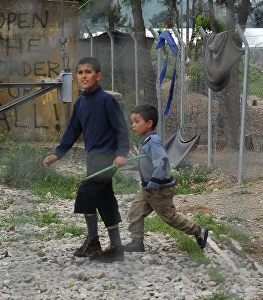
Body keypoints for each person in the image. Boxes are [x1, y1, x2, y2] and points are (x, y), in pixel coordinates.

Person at [43, 56, 129, 263]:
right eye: (80, 73)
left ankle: (93, 240)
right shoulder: (81, 102)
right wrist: (58, 153)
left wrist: (121, 153)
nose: (83, 76)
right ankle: (116, 247)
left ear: (98, 76)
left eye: (88, 72)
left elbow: (121, 129)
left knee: (86, 192)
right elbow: (73, 131)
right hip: (93, 158)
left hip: (108, 157)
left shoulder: (107, 100)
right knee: (104, 198)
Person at [124, 104, 208, 252]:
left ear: (149, 124)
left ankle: (198, 231)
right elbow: (146, 163)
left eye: (137, 122)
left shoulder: (154, 142)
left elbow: (162, 162)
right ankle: (137, 242)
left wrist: (154, 183)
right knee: (135, 211)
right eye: (132, 122)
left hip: (159, 189)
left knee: (170, 217)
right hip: (148, 189)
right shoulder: (146, 141)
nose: (133, 125)